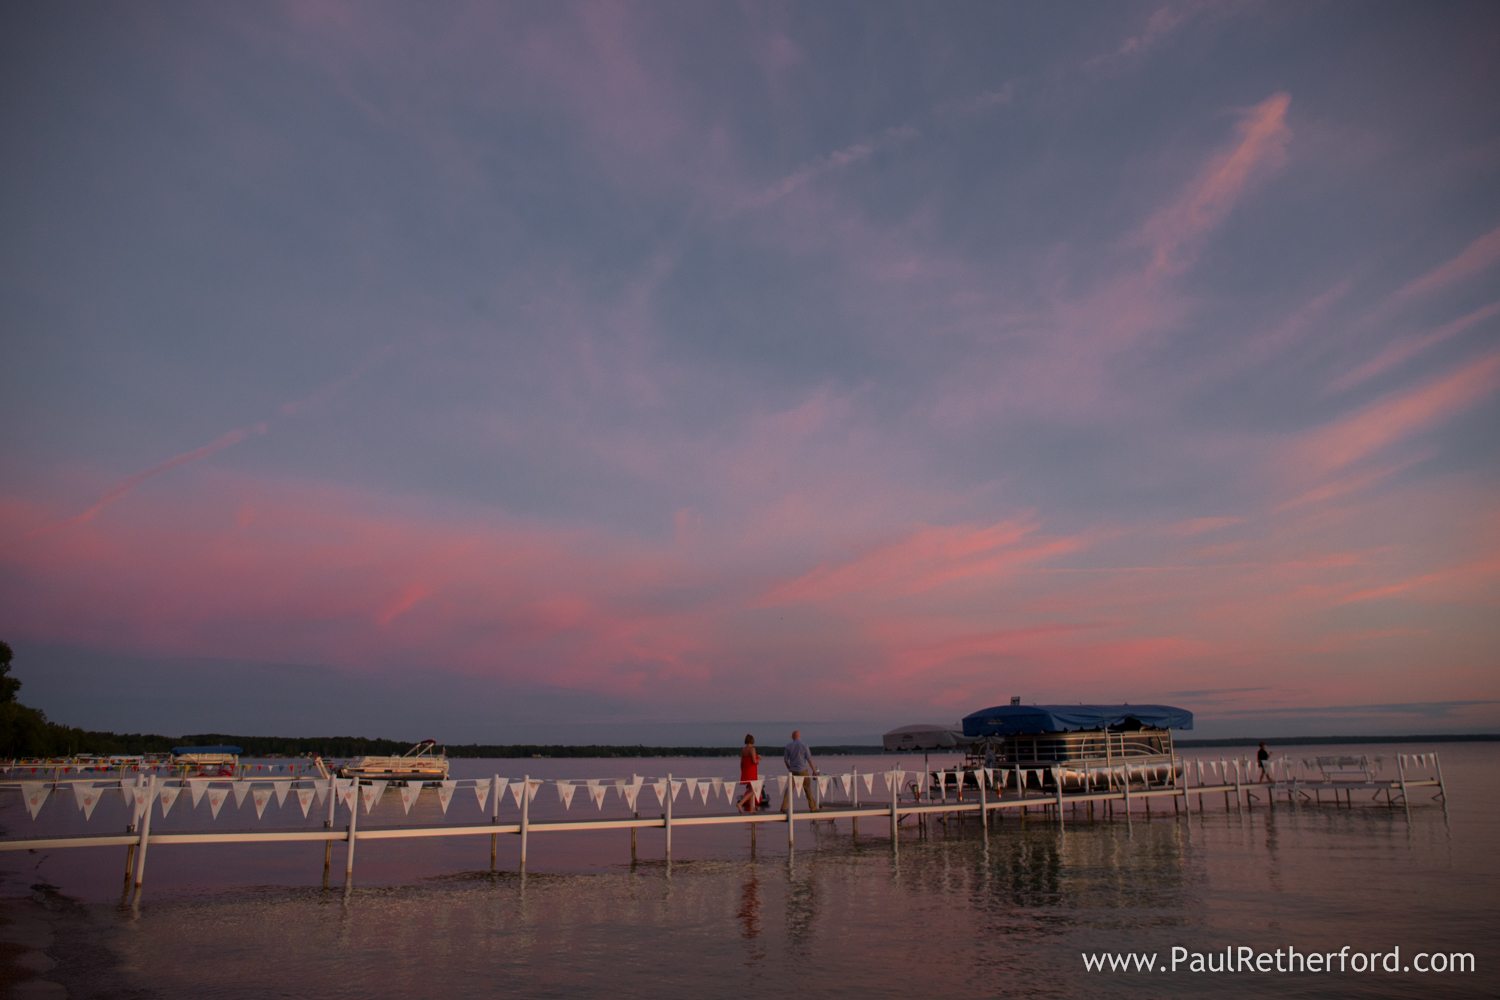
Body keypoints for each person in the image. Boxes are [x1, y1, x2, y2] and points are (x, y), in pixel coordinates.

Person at [780, 729, 818, 812]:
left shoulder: (788, 746)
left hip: (793, 771)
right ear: (799, 736)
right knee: (807, 788)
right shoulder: (804, 745)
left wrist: (789, 769)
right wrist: (814, 771)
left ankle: (783, 807)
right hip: (802, 770)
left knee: (789, 789)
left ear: (792, 737)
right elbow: (809, 759)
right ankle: (813, 807)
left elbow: (785, 760)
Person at [736, 734, 761, 813]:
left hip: (745, 770)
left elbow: (741, 762)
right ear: (752, 740)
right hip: (751, 771)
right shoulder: (752, 749)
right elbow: (754, 761)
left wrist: (742, 771)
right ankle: (740, 803)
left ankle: (751, 808)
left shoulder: (743, 750)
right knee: (753, 790)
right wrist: (759, 759)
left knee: (750, 789)